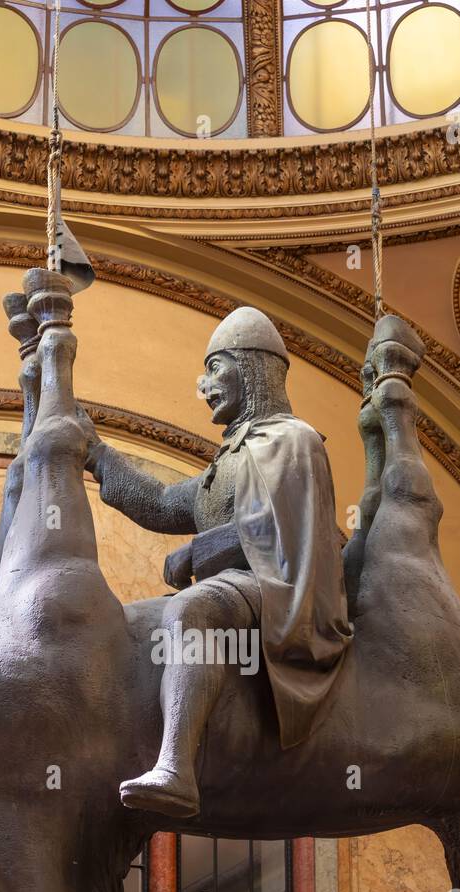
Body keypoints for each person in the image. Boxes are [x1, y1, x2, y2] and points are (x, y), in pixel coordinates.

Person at [84, 306, 353, 818]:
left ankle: (177, 768)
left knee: (190, 612)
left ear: (250, 368)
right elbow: (163, 503)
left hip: (277, 589)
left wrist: (198, 550)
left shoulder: (293, 442)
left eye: (215, 368)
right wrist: (98, 456)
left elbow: (287, 531)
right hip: (239, 584)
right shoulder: (227, 461)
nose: (202, 384)